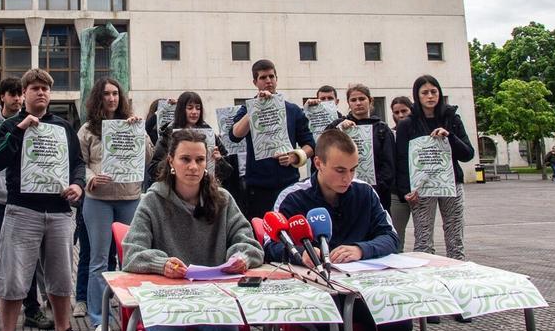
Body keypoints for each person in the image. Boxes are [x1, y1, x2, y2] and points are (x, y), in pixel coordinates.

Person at [269, 129, 411, 331]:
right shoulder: (291, 198)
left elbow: (391, 238)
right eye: (340, 170)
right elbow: (271, 246)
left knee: (401, 320)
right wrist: (302, 255)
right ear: (318, 163)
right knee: (334, 323)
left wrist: (361, 249)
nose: (348, 178)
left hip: (362, 292)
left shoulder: (365, 193)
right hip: (312, 297)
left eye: (353, 169)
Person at [123, 129, 263, 331]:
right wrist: (161, 263)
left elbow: (249, 242)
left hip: (210, 296)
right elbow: (132, 252)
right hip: (163, 297)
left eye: (200, 160)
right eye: (185, 159)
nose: (193, 166)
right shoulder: (153, 200)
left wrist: (240, 256)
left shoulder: (222, 199)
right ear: (171, 162)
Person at [0, 68, 95, 331]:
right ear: (25, 93)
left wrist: (78, 184)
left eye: (46, 88)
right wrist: (20, 129)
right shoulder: (10, 124)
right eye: (35, 88)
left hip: (59, 211)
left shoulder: (62, 127)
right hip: (22, 210)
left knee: (61, 277)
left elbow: (77, 163)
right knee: (13, 278)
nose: (41, 93)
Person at [0, 77, 52, 331]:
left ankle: (31, 309)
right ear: (2, 96)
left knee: (27, 258)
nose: (17, 99)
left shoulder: (33, 122)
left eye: (19, 94)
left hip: (24, 201)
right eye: (12, 94)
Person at [78, 77, 153, 331]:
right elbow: (79, 163)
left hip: (129, 197)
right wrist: (89, 179)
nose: (112, 99)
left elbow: (149, 157)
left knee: (130, 259)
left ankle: (130, 313)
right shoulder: (88, 129)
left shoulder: (131, 125)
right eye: (106, 94)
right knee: (98, 260)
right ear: (98, 98)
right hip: (97, 200)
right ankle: (100, 318)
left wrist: (139, 132)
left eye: (115, 94)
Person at [394, 75, 475, 260]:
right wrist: (406, 190)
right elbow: (402, 159)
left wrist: (450, 137)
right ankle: (425, 277)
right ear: (417, 96)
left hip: (450, 184)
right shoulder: (407, 124)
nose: (430, 96)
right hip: (422, 186)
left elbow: (468, 154)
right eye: (425, 93)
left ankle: (457, 272)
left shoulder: (452, 119)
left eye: (433, 92)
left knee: (455, 235)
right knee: (423, 237)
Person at [229, 59, 316, 220]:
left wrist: (294, 157)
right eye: (263, 78)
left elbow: (310, 145)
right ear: (255, 82)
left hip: (288, 182)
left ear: (277, 78)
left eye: (271, 76)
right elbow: (234, 135)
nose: (268, 81)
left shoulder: (293, 110)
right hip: (258, 187)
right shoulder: (247, 108)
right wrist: (256, 107)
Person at [148, 91, 242, 202]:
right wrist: (172, 160)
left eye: (198, 108)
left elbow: (228, 171)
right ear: (181, 110)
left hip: (205, 194)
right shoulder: (168, 133)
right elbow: (153, 169)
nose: (194, 112)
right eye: (190, 108)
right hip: (173, 194)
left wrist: (219, 160)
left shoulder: (209, 134)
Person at [325, 84, 395, 211]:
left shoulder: (382, 129)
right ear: (348, 103)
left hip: (377, 194)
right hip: (344, 192)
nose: (358, 103)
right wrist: (338, 128)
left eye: (362, 99)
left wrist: (376, 187)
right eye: (353, 100)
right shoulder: (338, 125)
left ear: (370, 100)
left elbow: (389, 164)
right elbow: (323, 145)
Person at [387, 95, 414, 250]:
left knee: (424, 233)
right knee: (397, 233)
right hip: (397, 192)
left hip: (420, 190)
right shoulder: (390, 133)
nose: (401, 115)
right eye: (397, 112)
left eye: (404, 111)